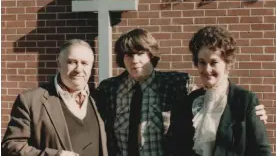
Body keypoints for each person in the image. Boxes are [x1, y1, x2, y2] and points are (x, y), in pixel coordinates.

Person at [96, 28, 268, 156]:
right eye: (128, 55)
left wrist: (253, 113)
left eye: (140, 53)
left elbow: (260, 148)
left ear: (151, 55)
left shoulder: (175, 84)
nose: (134, 60)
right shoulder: (108, 89)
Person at [175, 26, 271, 156]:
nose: (207, 69)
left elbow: (262, 151)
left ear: (227, 63)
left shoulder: (245, 101)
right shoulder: (191, 102)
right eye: (202, 62)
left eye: (214, 62)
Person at [2, 39, 107, 156]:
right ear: (59, 64)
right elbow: (10, 147)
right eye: (71, 62)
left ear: (91, 66)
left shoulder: (100, 98)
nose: (78, 69)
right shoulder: (31, 101)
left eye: (84, 63)